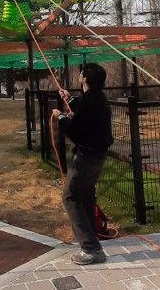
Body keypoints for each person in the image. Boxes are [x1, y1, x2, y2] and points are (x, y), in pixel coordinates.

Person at [52, 63, 113, 265]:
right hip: (98, 155)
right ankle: (91, 238)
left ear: (85, 78)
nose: (79, 75)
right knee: (86, 196)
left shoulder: (89, 101)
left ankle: (91, 248)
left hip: (86, 157)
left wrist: (60, 117)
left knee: (70, 197)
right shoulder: (99, 98)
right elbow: (84, 113)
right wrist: (69, 98)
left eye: (81, 73)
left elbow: (75, 131)